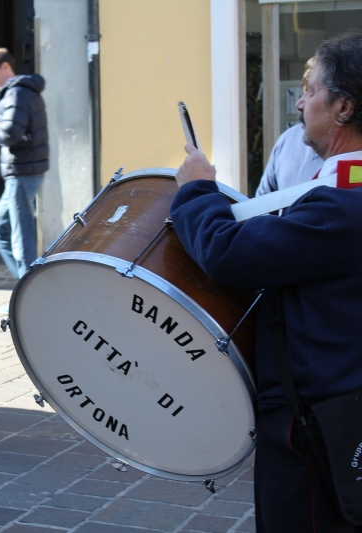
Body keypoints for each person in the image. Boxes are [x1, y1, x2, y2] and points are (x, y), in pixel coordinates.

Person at [171, 31, 362, 532]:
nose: (300, 102)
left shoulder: (341, 207)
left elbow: (225, 251)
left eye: (311, 90)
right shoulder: (343, 190)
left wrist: (197, 190)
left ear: (343, 108)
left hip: (319, 425)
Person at [0, 47, 48, 293]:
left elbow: (9, 133)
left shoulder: (16, 93)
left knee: (23, 241)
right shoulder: (21, 91)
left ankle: (31, 296)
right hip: (23, 172)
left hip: (21, 173)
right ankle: (26, 290)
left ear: (6, 67)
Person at [255, 57, 323, 196]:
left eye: (313, 93)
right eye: (306, 91)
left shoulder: (351, 148)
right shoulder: (287, 140)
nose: (300, 104)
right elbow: (261, 201)